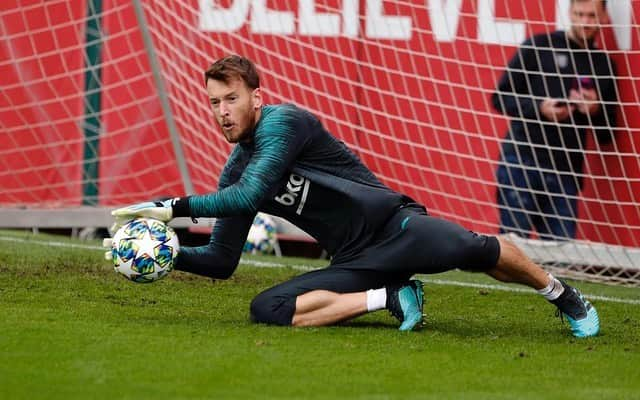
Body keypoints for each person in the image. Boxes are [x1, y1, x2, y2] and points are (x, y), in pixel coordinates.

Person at [109, 55, 599, 337]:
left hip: (395, 226)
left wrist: (174, 208)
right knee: (268, 309)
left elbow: (252, 193)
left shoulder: (285, 122)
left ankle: (564, 297)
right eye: (214, 102)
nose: (222, 111)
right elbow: (221, 260)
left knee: (471, 249)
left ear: (256, 98)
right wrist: (167, 255)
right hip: (355, 259)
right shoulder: (235, 169)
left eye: (231, 98)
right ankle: (390, 296)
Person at [492, 0, 617, 240]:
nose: (585, 22)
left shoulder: (603, 65)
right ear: (570, 13)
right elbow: (500, 97)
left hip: (565, 170)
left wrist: (594, 110)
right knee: (513, 249)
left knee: (562, 258)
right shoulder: (539, 46)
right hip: (521, 161)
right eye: (580, 14)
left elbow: (607, 135)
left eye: (592, 16)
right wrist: (540, 108)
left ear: (603, 16)